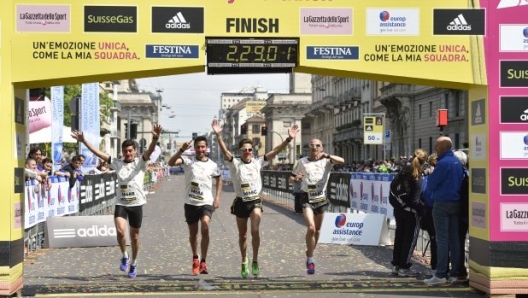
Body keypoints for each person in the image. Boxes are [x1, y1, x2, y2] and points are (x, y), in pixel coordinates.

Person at [71, 124, 162, 278]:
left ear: (134, 152)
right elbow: (99, 153)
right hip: (121, 203)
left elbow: (150, 150)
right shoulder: (117, 163)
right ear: (122, 152)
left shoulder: (139, 162)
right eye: (125, 151)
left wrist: (155, 138)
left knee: (134, 236)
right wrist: (84, 141)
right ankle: (125, 255)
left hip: (136, 204)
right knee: (120, 231)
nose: (128, 153)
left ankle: (133, 263)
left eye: (130, 151)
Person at [212, 118, 299, 278]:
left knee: (255, 230)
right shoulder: (235, 163)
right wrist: (218, 135)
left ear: (253, 151)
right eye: (244, 150)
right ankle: (245, 260)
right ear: (240, 151)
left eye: (250, 150)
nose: (247, 152)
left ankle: (255, 260)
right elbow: (225, 152)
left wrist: (288, 139)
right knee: (243, 235)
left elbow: (275, 151)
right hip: (240, 202)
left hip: (255, 201)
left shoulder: (258, 162)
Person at [168, 136, 222, 275]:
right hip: (190, 202)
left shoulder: (212, 165)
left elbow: (219, 178)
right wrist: (181, 150)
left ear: (206, 148)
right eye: (198, 147)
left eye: (203, 147)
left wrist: (217, 198)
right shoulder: (188, 161)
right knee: (193, 234)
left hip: (206, 202)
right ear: (195, 148)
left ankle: (203, 261)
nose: (200, 149)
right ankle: (195, 258)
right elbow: (171, 162)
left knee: (205, 226)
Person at [289, 139, 345, 274]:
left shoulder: (326, 161)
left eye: (317, 145)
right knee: (311, 227)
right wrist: (295, 179)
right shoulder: (302, 162)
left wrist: (328, 156)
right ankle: (310, 258)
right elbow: (290, 178)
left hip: (321, 199)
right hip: (307, 197)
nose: (314, 147)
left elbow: (342, 160)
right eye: (312, 145)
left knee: (318, 230)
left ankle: (310, 250)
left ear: (322, 148)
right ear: (309, 148)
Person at [424, 137, 464, 286]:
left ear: (442, 147)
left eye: (436, 144)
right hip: (456, 202)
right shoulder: (457, 163)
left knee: (442, 239)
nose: (434, 147)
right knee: (454, 239)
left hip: (442, 203)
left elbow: (431, 184)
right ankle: (455, 273)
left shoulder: (442, 164)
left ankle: (441, 273)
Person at [390, 149, 427, 277]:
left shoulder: (402, 171)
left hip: (398, 209)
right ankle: (404, 267)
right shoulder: (417, 177)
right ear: (423, 162)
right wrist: (423, 212)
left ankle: (396, 265)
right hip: (411, 213)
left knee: (399, 237)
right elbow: (415, 201)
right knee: (409, 240)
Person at [420, 153, 438, 277]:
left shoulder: (427, 178)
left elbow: (423, 195)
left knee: (435, 240)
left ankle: (436, 267)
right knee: (437, 240)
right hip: (434, 211)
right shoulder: (429, 178)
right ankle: (437, 267)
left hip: (430, 211)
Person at [453, 150, 469, 282]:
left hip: (462, 213)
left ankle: (460, 270)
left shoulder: (460, 175)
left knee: (458, 241)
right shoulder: (468, 174)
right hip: (472, 214)